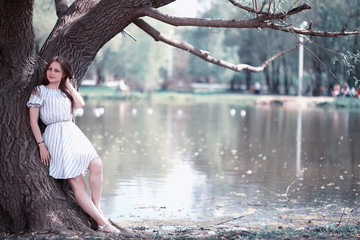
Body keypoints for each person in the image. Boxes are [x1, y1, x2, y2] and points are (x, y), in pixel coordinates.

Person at [27, 56, 119, 233]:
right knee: (77, 181)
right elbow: (33, 122)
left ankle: (97, 208)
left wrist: (68, 85)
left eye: (57, 70)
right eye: (50, 69)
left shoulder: (65, 93)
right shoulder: (39, 91)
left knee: (96, 163)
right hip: (55, 135)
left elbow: (80, 103)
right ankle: (102, 223)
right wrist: (41, 144)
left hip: (73, 133)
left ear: (63, 75)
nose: (52, 73)